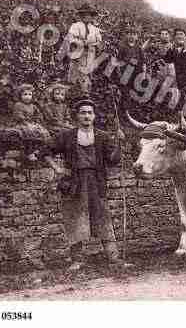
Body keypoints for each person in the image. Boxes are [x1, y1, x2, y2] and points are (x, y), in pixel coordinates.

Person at [43, 98, 128, 271]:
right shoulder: (66, 136)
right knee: (76, 219)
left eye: (90, 112)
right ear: (76, 116)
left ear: (94, 116)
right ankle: (77, 260)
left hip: (97, 183)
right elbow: (46, 151)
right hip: (74, 183)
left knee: (103, 217)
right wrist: (57, 168)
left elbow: (113, 160)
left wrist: (119, 143)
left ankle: (113, 257)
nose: (86, 116)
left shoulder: (102, 137)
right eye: (83, 112)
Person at [62, 3, 103, 98]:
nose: (87, 16)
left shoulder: (95, 29)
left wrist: (93, 44)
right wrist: (81, 43)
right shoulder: (75, 26)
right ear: (81, 15)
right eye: (84, 14)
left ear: (92, 16)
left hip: (89, 55)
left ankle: (85, 95)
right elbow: (71, 39)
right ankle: (72, 96)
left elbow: (99, 42)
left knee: (86, 76)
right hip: (77, 54)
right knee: (75, 75)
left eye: (89, 14)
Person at [163, 28, 186, 121]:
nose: (179, 36)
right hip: (181, 83)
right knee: (182, 107)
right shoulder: (175, 50)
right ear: (174, 38)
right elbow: (167, 59)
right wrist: (171, 49)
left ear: (185, 37)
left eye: (181, 34)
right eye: (177, 35)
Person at [12, 83, 51, 161]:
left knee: (44, 132)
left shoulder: (33, 106)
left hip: (32, 123)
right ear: (20, 95)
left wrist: (37, 121)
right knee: (29, 132)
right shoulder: (18, 105)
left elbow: (38, 115)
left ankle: (37, 151)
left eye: (30, 94)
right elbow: (18, 116)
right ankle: (29, 152)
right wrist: (27, 123)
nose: (27, 97)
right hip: (21, 123)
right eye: (25, 94)